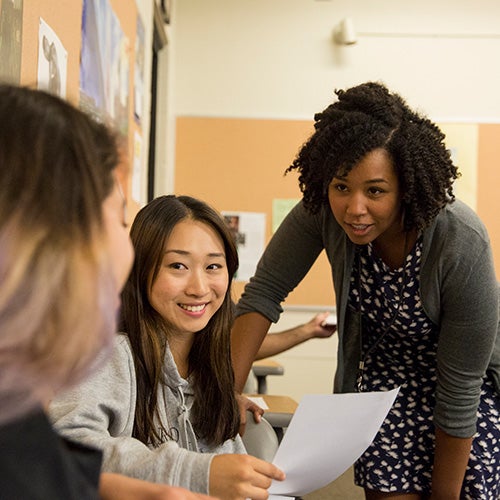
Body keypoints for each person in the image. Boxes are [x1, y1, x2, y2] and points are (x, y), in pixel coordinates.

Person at [231, 82, 500, 499]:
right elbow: (263, 293)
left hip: (464, 389)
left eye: (375, 191)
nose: (355, 208)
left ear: (405, 188)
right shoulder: (320, 211)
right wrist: (226, 394)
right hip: (380, 387)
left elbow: (462, 384)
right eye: (342, 187)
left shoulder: (460, 239)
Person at [0, 84, 213, 499]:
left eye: (213, 266)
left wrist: (127, 491)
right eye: (119, 219)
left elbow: (44, 466)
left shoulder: (17, 410)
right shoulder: (115, 355)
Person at [49, 195, 285, 500]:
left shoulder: (210, 367)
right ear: (141, 270)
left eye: (213, 266)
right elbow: (67, 446)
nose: (199, 288)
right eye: (178, 266)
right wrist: (196, 472)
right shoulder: (110, 353)